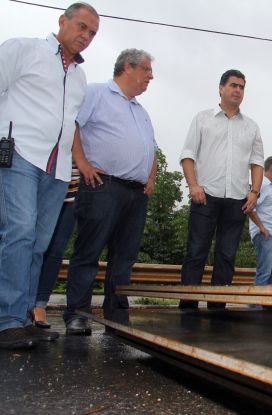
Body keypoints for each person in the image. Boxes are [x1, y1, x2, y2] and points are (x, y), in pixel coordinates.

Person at [0, 3, 99, 349]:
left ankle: (24, 316)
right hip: (20, 155)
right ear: (63, 21)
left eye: (92, 33)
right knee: (20, 233)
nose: (86, 36)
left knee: (39, 244)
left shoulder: (79, 77)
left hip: (56, 170)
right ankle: (6, 320)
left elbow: (70, 124)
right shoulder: (23, 49)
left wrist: (78, 162)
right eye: (82, 27)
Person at [63, 48, 158, 335]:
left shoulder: (141, 111)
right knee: (89, 251)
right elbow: (73, 125)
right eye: (146, 70)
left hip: (135, 193)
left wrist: (150, 179)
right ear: (127, 67)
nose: (150, 77)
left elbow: (151, 148)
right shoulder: (96, 93)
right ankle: (77, 313)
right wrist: (82, 163)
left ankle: (115, 315)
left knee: (125, 256)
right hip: (102, 186)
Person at [179, 69, 264, 310]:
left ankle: (217, 309)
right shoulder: (203, 118)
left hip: (237, 199)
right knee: (196, 252)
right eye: (233, 85)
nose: (238, 90)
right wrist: (193, 185)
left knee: (226, 256)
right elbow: (188, 155)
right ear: (221, 88)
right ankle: (188, 308)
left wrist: (254, 192)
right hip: (205, 197)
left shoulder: (251, 127)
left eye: (242, 87)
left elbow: (257, 162)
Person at [32, 164, 80, 328]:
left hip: (72, 188)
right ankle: (17, 304)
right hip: (39, 177)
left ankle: (39, 304)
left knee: (56, 251)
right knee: (28, 243)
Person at [247, 156, 272, 285]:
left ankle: (257, 301)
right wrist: (261, 227)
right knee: (265, 271)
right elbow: (250, 208)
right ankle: (256, 303)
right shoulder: (262, 185)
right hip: (265, 234)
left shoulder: (270, 187)